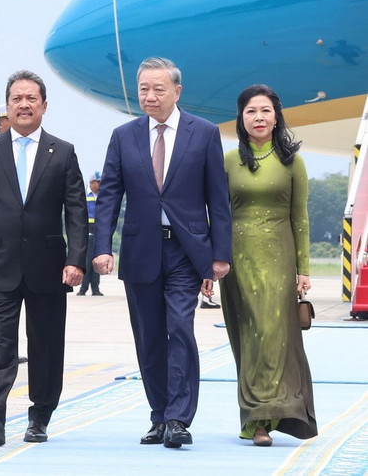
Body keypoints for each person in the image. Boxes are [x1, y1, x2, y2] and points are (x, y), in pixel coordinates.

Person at [93, 57, 232, 449]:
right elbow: (109, 197)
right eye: (143, 89)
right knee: (149, 337)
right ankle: (159, 415)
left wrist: (220, 254)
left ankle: (178, 418)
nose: (150, 96)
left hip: (186, 252)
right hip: (141, 250)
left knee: (180, 329)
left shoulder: (203, 133)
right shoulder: (124, 136)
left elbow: (218, 199)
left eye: (158, 89)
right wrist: (102, 246)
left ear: (177, 91)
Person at [0, 70, 87, 446]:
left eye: (31, 98)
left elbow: (76, 212)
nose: (24, 105)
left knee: (46, 343)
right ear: (7, 106)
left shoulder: (62, 151)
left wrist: (76, 259)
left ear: (44, 106)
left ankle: (40, 416)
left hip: (49, 266)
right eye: (17, 98)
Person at [217, 84, 317, 446]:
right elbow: (217, 215)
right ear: (240, 119)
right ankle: (253, 415)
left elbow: (300, 218)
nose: (258, 117)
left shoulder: (293, 162)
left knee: (272, 334)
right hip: (237, 260)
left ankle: (266, 417)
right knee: (248, 336)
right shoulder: (229, 161)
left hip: (279, 258)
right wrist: (211, 262)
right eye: (250, 111)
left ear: (276, 118)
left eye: (265, 111)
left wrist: (303, 269)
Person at [78, 171, 102, 296]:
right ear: (92, 182)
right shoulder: (84, 195)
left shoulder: (102, 196)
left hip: (98, 234)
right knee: (86, 263)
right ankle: (83, 288)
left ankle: (95, 289)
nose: (100, 185)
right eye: (98, 182)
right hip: (87, 234)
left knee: (96, 263)